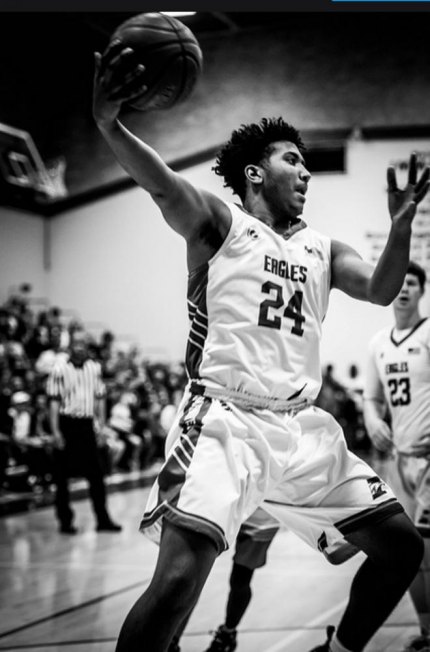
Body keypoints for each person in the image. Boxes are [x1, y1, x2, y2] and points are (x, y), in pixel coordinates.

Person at [92, 40, 430, 652]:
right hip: (226, 423)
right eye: (293, 161)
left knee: (402, 549)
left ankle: (340, 648)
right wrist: (107, 122)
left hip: (301, 432)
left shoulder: (322, 249)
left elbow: (382, 290)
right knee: (175, 585)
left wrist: (402, 223)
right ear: (256, 172)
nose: (306, 173)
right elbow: (162, 185)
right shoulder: (223, 225)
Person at [364, 260, 430, 652]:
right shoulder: (377, 344)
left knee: (427, 545)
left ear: (422, 290)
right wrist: (373, 420)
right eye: (399, 283)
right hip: (400, 461)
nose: (403, 289)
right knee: (412, 552)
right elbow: (371, 398)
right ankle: (426, 630)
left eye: (412, 283)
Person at [169, 508, 280, 652]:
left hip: (263, 512)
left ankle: (227, 635)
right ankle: (172, 639)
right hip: (225, 502)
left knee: (240, 579)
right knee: (193, 574)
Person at [46, 329, 122, 534]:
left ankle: (103, 519)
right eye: (76, 343)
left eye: (83, 344)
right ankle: (65, 521)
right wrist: (55, 431)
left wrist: (102, 425)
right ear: (69, 345)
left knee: (96, 475)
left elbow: (100, 397)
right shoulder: (59, 369)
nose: (79, 348)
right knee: (61, 478)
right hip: (66, 423)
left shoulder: (94, 368)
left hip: (86, 424)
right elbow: (53, 402)